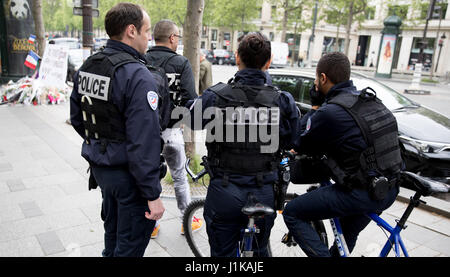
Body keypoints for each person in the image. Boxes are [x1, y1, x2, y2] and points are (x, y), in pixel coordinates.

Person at [186, 32, 301, 257]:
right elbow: (292, 140)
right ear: (268, 62)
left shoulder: (216, 96)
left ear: (237, 57)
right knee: (259, 252)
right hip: (263, 191)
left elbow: (191, 119)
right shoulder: (282, 100)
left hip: (224, 191)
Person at [283, 52, 403, 257]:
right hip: (389, 189)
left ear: (322, 78)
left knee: (292, 212)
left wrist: (314, 107)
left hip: (363, 194)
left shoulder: (330, 112)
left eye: (315, 79)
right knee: (347, 233)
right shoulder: (370, 101)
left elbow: (299, 141)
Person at [69, 3, 166, 257]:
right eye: (146, 32)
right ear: (131, 31)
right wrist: (153, 194)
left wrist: (103, 145)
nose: (149, 38)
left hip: (102, 171)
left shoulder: (89, 65)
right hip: (130, 179)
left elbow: (78, 119)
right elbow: (143, 142)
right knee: (128, 249)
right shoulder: (137, 75)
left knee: (111, 243)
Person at [145, 19, 200, 238]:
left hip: (147, 133)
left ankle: (152, 225)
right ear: (171, 38)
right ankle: (187, 222)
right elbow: (191, 99)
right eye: (177, 37)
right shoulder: (181, 63)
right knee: (178, 176)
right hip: (172, 132)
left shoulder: (143, 59)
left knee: (151, 176)